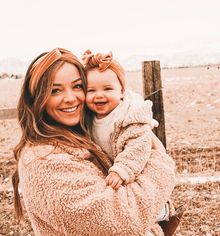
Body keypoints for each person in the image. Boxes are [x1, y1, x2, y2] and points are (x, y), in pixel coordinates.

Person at [12, 47, 176, 236]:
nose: (70, 98)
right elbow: (121, 219)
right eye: (55, 90)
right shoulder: (43, 160)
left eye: (78, 86)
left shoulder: (83, 135)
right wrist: (161, 162)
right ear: (37, 99)